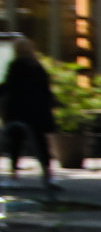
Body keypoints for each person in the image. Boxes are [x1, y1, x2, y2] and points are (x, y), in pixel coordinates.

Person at [2, 40, 55, 190]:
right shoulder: (38, 66)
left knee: (15, 143)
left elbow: (10, 86)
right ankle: (48, 176)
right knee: (41, 143)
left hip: (19, 111)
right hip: (38, 112)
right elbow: (46, 90)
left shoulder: (16, 65)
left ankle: (14, 176)